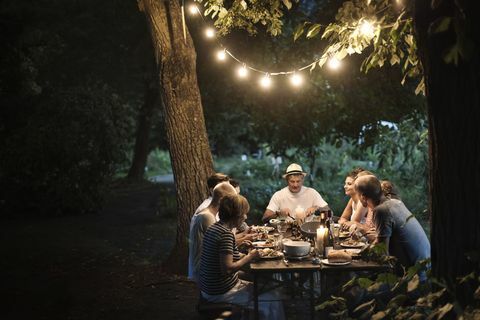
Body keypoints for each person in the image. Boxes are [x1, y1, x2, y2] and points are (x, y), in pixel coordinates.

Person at [199, 194, 285, 320]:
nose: (246, 217)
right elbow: (227, 269)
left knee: (269, 291)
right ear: (236, 215)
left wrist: (240, 249)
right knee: (273, 299)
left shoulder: (215, 228)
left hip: (209, 288)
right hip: (221, 291)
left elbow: (221, 256)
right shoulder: (226, 234)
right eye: (244, 213)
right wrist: (249, 256)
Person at [354, 175, 430, 278]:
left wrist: (357, 255)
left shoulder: (381, 211)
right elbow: (385, 240)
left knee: (356, 289)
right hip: (425, 270)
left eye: (358, 196)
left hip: (412, 279)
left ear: (363, 197)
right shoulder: (395, 202)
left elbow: (382, 253)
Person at [188, 182, 237, 282]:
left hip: (208, 266)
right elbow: (221, 245)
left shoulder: (211, 215)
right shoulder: (207, 217)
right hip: (203, 269)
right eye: (231, 201)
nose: (233, 204)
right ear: (222, 200)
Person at [262, 163, 329, 224]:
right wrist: (278, 213)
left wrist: (317, 207)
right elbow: (265, 219)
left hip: (307, 229)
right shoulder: (279, 195)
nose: (295, 185)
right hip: (285, 232)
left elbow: (329, 213)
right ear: (287, 181)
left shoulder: (311, 193)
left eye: (298, 181)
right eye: (292, 181)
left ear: (303, 180)